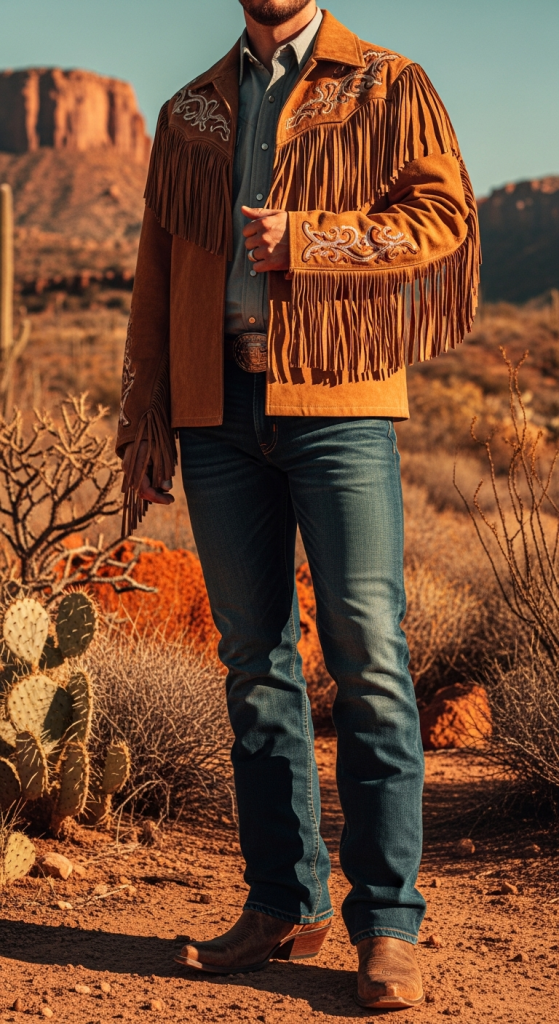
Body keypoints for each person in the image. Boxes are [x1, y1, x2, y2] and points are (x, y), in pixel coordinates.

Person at [117, 0, 479, 1009]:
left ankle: (388, 924)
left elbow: (443, 219)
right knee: (252, 660)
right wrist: (145, 411)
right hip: (213, 412)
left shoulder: (385, 83)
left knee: (368, 649)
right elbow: (155, 267)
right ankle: (283, 902)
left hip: (338, 405)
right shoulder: (193, 109)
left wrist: (311, 240)